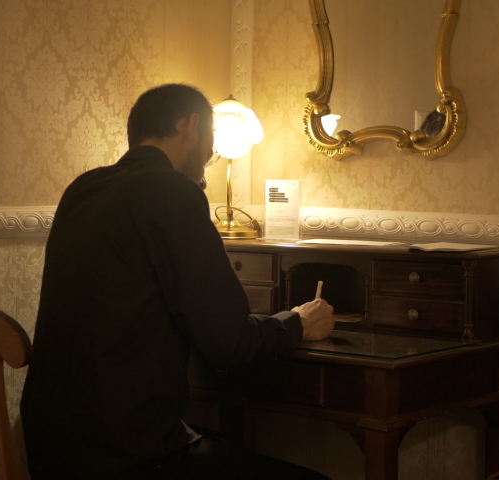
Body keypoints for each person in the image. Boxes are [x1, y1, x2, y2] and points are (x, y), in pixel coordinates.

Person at [20, 83, 335, 479]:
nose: (209, 156)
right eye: (211, 143)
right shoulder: (172, 191)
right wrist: (298, 322)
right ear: (191, 127)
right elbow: (229, 342)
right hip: (127, 455)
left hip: (54, 446)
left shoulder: (83, 188)